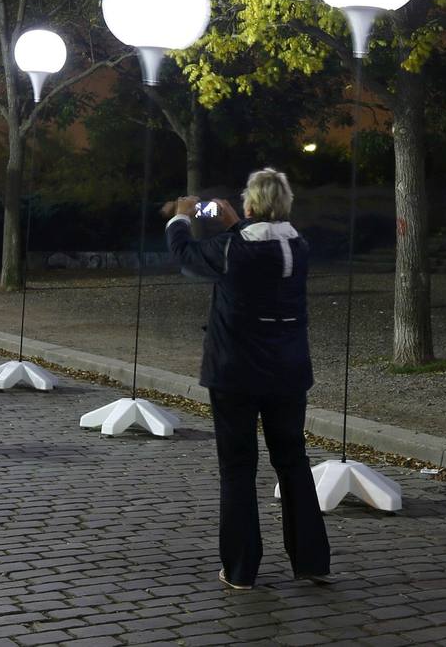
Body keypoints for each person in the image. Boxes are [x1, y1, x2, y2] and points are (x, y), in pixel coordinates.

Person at [165, 168, 329, 590]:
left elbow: (186, 257)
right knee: (293, 462)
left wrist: (181, 217)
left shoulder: (231, 247)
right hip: (288, 371)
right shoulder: (300, 245)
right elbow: (262, 245)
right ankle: (310, 559)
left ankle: (241, 568)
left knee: (238, 468)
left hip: (236, 370)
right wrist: (236, 221)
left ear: (252, 204)